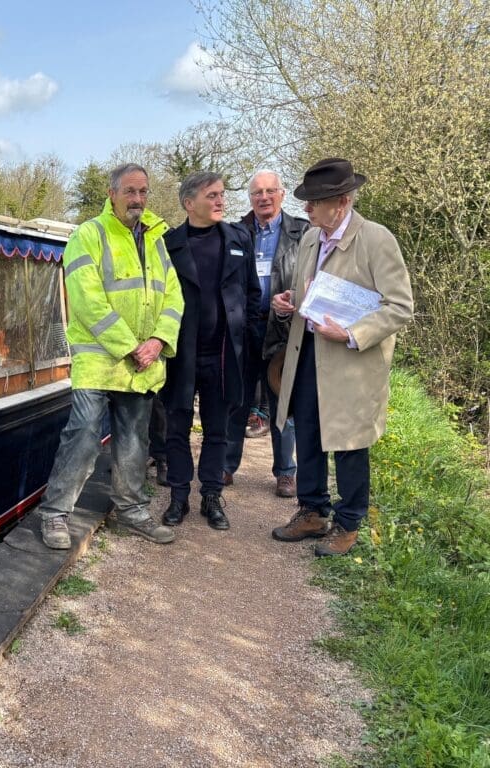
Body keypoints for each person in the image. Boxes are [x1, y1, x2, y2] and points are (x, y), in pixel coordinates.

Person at [37, 163, 185, 549]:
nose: (137, 199)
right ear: (112, 193)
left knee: (135, 440)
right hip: (102, 358)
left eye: (143, 192)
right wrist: (130, 345)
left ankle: (131, 510)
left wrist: (158, 341)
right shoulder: (89, 234)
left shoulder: (156, 238)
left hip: (144, 361)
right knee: (84, 435)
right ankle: (55, 514)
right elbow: (87, 300)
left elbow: (173, 295)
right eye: (130, 191)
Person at [271, 158, 413, 556]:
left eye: (315, 202)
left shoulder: (377, 239)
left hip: (351, 363)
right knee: (310, 435)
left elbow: (399, 306)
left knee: (350, 444)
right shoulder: (311, 239)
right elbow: (313, 296)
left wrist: (351, 333)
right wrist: (289, 302)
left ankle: (348, 523)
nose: (307, 209)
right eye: (307, 201)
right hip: (308, 355)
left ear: (343, 202)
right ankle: (312, 512)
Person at [160, 171, 260, 531]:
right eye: (212, 196)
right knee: (177, 428)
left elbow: (251, 293)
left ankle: (212, 497)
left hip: (223, 354)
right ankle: (178, 497)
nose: (221, 201)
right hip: (181, 353)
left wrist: (245, 336)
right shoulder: (168, 244)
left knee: (218, 430)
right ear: (190, 203)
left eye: (221, 194)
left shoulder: (238, 238)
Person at [223, 170, 308, 497]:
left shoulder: (302, 232)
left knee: (282, 403)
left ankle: (286, 472)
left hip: (283, 330)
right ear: (250, 198)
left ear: (282, 194)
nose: (264, 197)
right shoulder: (234, 231)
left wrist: (294, 300)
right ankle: (227, 466)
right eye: (257, 192)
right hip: (243, 328)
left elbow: (314, 278)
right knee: (237, 400)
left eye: (270, 191)